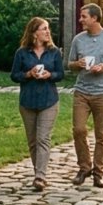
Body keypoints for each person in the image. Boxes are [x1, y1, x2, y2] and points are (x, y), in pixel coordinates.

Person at [68, 3, 103, 187]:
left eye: (84, 17)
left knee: (101, 134)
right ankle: (84, 168)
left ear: (94, 18)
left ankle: (98, 173)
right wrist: (78, 64)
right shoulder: (78, 40)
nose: (80, 20)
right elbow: (69, 64)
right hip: (82, 91)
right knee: (79, 130)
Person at [9, 16, 65, 190]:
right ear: (34, 33)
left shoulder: (54, 52)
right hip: (28, 101)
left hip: (49, 101)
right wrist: (28, 74)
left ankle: (40, 177)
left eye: (48, 28)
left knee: (43, 139)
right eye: (44, 28)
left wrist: (50, 75)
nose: (48, 31)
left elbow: (61, 74)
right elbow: (14, 75)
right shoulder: (22, 53)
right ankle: (38, 173)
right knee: (33, 141)